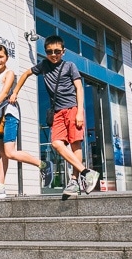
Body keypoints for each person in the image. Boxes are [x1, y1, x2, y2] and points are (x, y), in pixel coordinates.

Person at [10, 35, 100, 196]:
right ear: (45, 52)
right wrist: (15, 92)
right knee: (56, 143)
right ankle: (86, 173)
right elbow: (25, 74)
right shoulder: (44, 65)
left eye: (57, 51)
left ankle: (74, 180)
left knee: (75, 145)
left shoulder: (69, 66)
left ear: (63, 51)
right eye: (49, 51)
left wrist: (79, 111)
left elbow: (79, 88)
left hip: (72, 109)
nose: (53, 54)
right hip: (57, 111)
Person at [0, 44, 54, 200]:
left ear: (6, 57)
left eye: (0, 56)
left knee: (9, 152)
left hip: (10, 116)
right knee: (2, 154)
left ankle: (43, 165)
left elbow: (5, 93)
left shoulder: (9, 73)